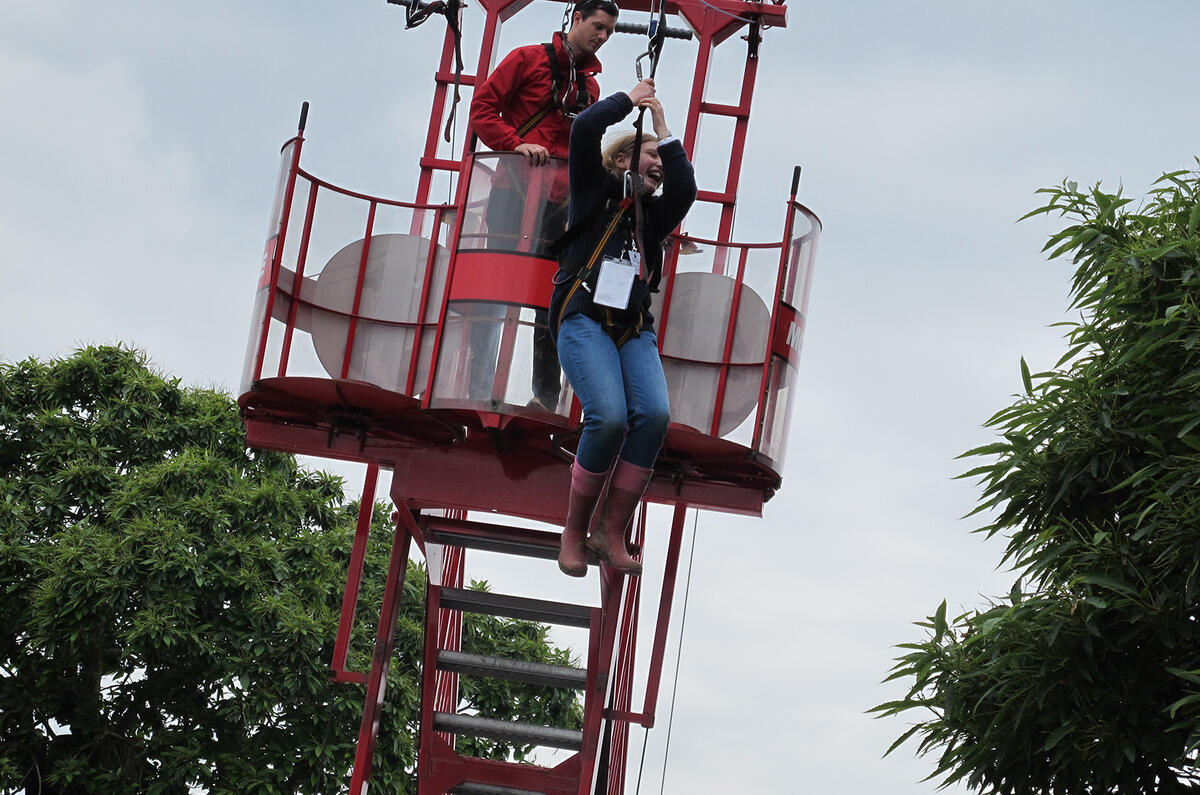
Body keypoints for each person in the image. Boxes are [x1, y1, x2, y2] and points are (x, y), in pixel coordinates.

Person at [551, 79, 697, 576]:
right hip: (584, 318)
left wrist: (662, 129)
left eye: (661, 156)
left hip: (631, 328)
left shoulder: (653, 217)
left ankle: (609, 532)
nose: (659, 163)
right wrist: (627, 101)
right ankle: (573, 531)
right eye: (649, 154)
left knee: (654, 415)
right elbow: (587, 127)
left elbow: (686, 187)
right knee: (609, 416)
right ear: (622, 161)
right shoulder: (595, 193)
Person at [466, 0, 619, 409]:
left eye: (609, 32)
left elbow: (583, 148)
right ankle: (475, 388)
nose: (602, 37)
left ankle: (545, 397)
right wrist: (516, 144)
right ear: (577, 18)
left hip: (560, 204)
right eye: (598, 27)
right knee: (492, 287)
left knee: (552, 297)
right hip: (512, 192)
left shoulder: (591, 89)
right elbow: (482, 110)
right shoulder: (527, 60)